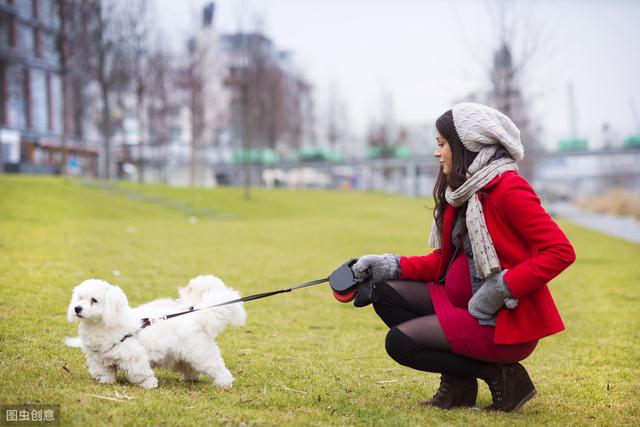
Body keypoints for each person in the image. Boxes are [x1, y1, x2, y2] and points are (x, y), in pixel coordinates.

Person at [349, 102, 576, 412]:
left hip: (496, 318)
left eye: (442, 144)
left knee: (399, 343)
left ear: (466, 145)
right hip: (457, 302)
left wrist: (500, 289)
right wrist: (388, 264)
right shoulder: (462, 191)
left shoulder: (508, 188)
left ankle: (501, 373)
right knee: (385, 292)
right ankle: (460, 386)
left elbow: (560, 251)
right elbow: (441, 263)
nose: (436, 152)